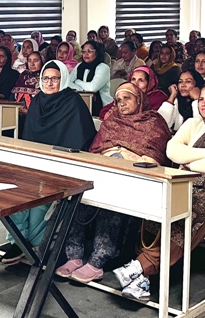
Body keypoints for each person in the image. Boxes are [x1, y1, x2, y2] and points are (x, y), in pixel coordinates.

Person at [113, 83, 205, 301]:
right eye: (202, 99)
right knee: (159, 209)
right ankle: (141, 280)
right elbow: (172, 149)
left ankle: (137, 267)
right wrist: (204, 153)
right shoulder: (192, 124)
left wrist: (190, 163)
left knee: (186, 217)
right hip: (187, 186)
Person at [57, 82, 172, 283]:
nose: (122, 104)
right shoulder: (112, 122)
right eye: (118, 100)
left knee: (112, 202)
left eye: (127, 98)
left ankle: (99, 259)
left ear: (139, 100)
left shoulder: (154, 122)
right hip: (106, 171)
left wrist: (126, 158)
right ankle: (74, 255)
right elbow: (96, 149)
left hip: (136, 179)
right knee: (77, 196)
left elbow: (157, 156)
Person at [0, 60, 96, 265]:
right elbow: (29, 138)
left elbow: (81, 141)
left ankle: (27, 243)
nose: (50, 83)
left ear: (63, 79)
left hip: (61, 169)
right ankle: (17, 240)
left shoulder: (73, 103)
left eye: (55, 78)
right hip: (34, 164)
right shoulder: (37, 102)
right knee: (13, 195)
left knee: (38, 213)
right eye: (46, 79)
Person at [99, 65, 166, 118]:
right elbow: (103, 112)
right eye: (133, 79)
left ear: (150, 83)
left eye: (141, 80)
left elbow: (150, 118)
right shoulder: (125, 95)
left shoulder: (158, 97)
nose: (135, 84)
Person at [70, 40, 112, 115]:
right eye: (83, 51)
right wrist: (81, 89)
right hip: (81, 102)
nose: (86, 54)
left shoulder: (103, 68)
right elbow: (68, 83)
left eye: (89, 51)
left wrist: (77, 82)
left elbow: (92, 88)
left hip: (102, 105)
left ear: (97, 52)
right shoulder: (79, 66)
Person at [11, 50, 43, 115]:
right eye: (29, 60)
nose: (32, 64)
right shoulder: (23, 75)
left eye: (35, 60)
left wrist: (28, 112)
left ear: (42, 61)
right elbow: (13, 96)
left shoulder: (44, 77)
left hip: (36, 115)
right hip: (18, 114)